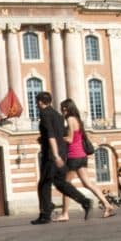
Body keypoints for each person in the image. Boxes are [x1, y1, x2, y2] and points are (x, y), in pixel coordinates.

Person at [31, 92, 92, 224]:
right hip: (62, 152)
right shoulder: (58, 116)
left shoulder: (45, 114)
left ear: (41, 102)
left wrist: (55, 154)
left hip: (52, 155)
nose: (36, 105)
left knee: (44, 184)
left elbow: (52, 135)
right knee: (60, 183)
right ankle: (84, 201)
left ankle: (46, 214)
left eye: (37, 102)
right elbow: (60, 134)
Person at [55, 98, 115, 220]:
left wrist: (57, 138)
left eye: (64, 109)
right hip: (82, 156)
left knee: (66, 185)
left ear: (68, 109)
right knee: (88, 183)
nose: (62, 112)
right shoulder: (78, 120)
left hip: (74, 156)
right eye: (62, 109)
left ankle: (65, 213)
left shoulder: (70, 119)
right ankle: (107, 204)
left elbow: (70, 139)